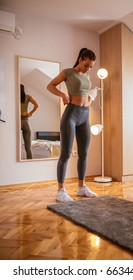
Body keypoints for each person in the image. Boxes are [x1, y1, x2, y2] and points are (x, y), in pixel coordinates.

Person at [47, 48, 97, 202]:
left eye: (91, 67)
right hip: (71, 115)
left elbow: (85, 94)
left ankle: (82, 187)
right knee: (66, 153)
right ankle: (61, 190)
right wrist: (62, 95)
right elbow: (50, 86)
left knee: (84, 154)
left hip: (85, 115)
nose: (88, 69)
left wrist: (90, 98)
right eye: (87, 64)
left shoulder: (87, 76)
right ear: (81, 59)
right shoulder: (68, 72)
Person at [20, 84, 39, 159]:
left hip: (19, 120)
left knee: (17, 144)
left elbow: (36, 105)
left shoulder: (15, 97)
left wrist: (31, 113)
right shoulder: (27, 97)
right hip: (25, 120)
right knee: (28, 147)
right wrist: (30, 113)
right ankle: (29, 161)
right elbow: (37, 105)